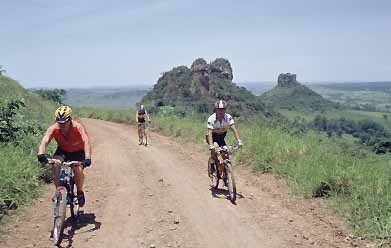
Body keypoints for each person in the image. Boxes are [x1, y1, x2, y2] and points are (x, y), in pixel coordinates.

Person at [37, 106, 92, 207]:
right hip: (63, 150)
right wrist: (41, 154)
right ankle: (58, 191)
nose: (61, 124)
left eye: (64, 122)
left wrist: (87, 158)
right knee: (55, 164)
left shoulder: (77, 127)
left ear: (70, 119)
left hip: (78, 151)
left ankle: (80, 192)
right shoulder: (54, 128)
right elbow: (45, 141)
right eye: (59, 122)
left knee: (77, 169)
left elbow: (86, 141)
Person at [207, 100, 243, 169]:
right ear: (216, 110)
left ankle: (225, 172)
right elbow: (210, 133)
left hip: (221, 138)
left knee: (226, 155)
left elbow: (234, 129)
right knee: (215, 149)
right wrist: (211, 146)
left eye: (223, 109)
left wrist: (239, 141)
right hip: (212, 137)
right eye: (219, 110)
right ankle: (212, 163)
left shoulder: (228, 117)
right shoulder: (211, 119)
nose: (221, 111)